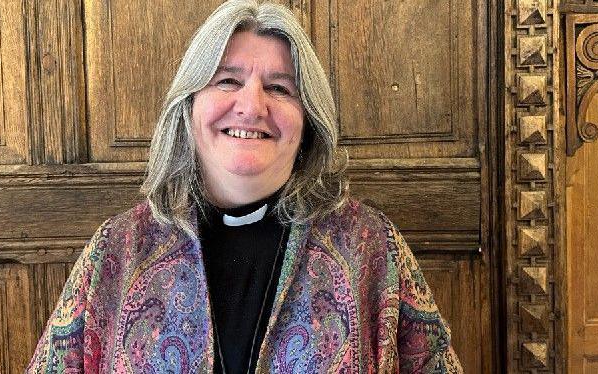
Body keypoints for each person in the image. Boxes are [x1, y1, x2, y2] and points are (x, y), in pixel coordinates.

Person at [27, 0, 463, 372]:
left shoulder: (369, 247)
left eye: (279, 88)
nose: (252, 106)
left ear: (309, 120)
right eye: (228, 81)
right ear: (189, 107)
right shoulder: (117, 251)